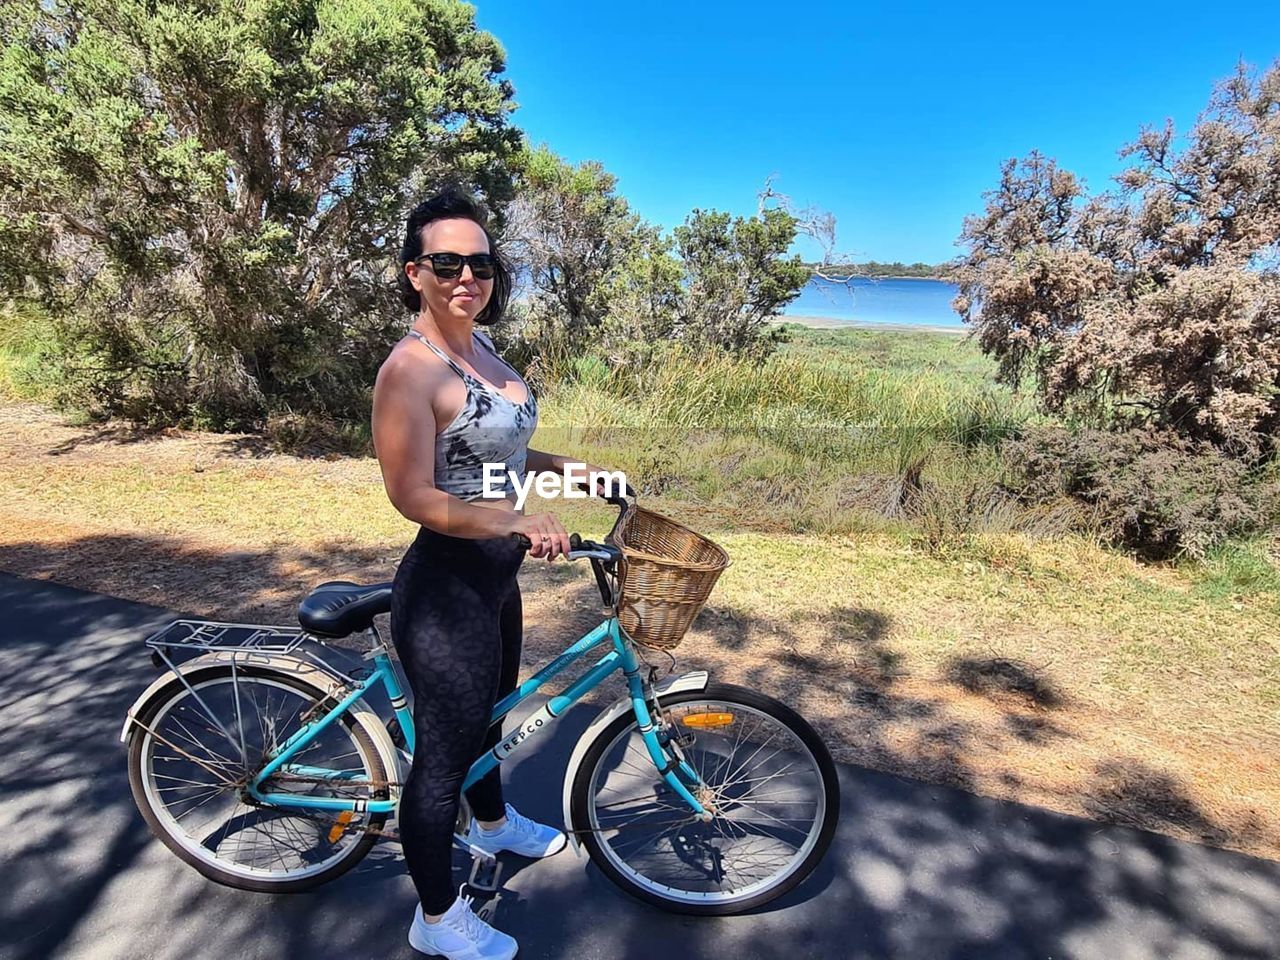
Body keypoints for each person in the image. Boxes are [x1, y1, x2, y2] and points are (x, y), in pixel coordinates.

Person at [372, 187, 610, 959]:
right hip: (445, 588)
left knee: (490, 722)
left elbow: (502, 449)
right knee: (441, 760)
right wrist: (517, 519)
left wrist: (575, 473)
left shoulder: (482, 352)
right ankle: (436, 919)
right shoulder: (409, 370)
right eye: (447, 262)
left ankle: (496, 823)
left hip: (496, 580)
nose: (466, 275)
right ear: (416, 272)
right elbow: (413, 495)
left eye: (480, 262)